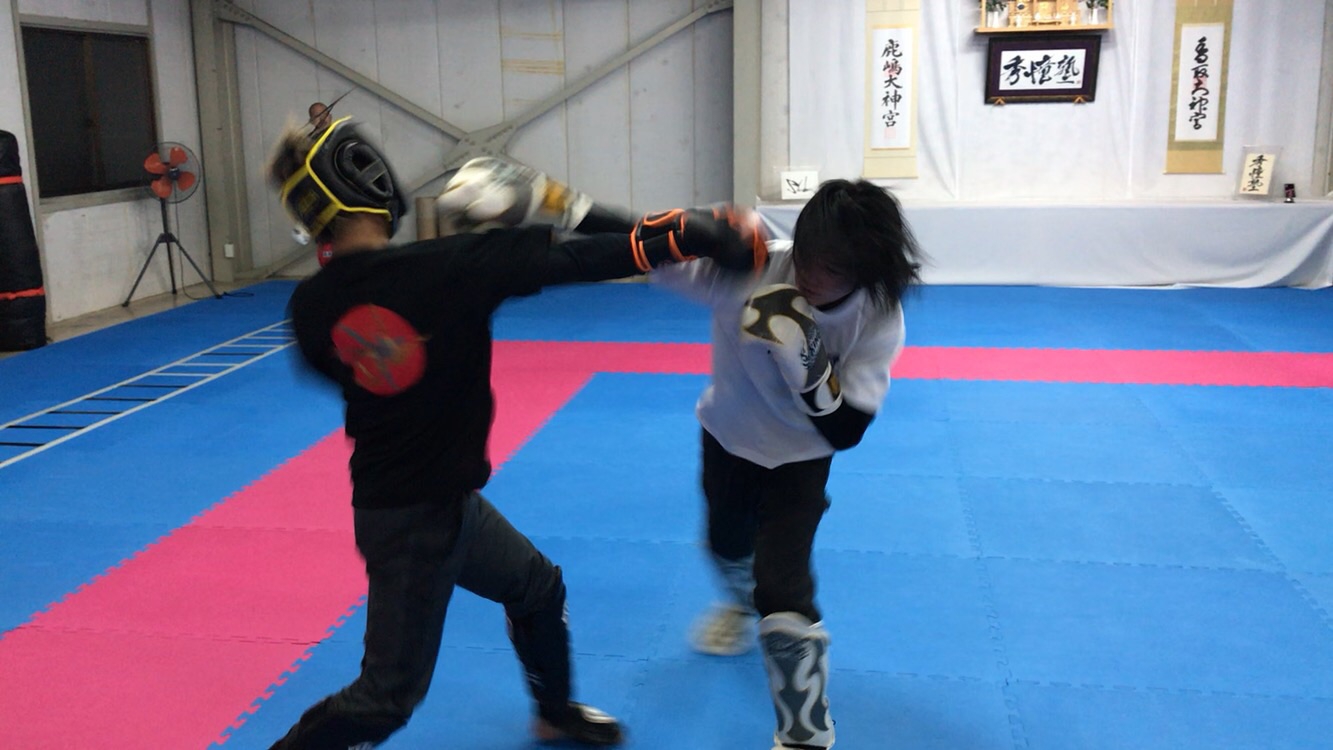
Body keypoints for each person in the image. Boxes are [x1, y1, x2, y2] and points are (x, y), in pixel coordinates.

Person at [264, 116, 766, 749]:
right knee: (386, 699)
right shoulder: (446, 267)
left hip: (428, 503)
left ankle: (554, 713)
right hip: (414, 524)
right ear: (370, 182)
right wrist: (685, 237)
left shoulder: (309, 306)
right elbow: (580, 259)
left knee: (537, 588)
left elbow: (339, 360)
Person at [651, 179, 924, 750]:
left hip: (801, 460)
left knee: (783, 588)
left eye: (832, 269)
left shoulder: (878, 315)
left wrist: (807, 359)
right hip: (726, 436)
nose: (810, 277)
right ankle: (740, 603)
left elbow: (846, 431)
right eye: (807, 257)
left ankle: (806, 734)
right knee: (725, 545)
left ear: (864, 271)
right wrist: (691, 229)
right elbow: (650, 254)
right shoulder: (753, 269)